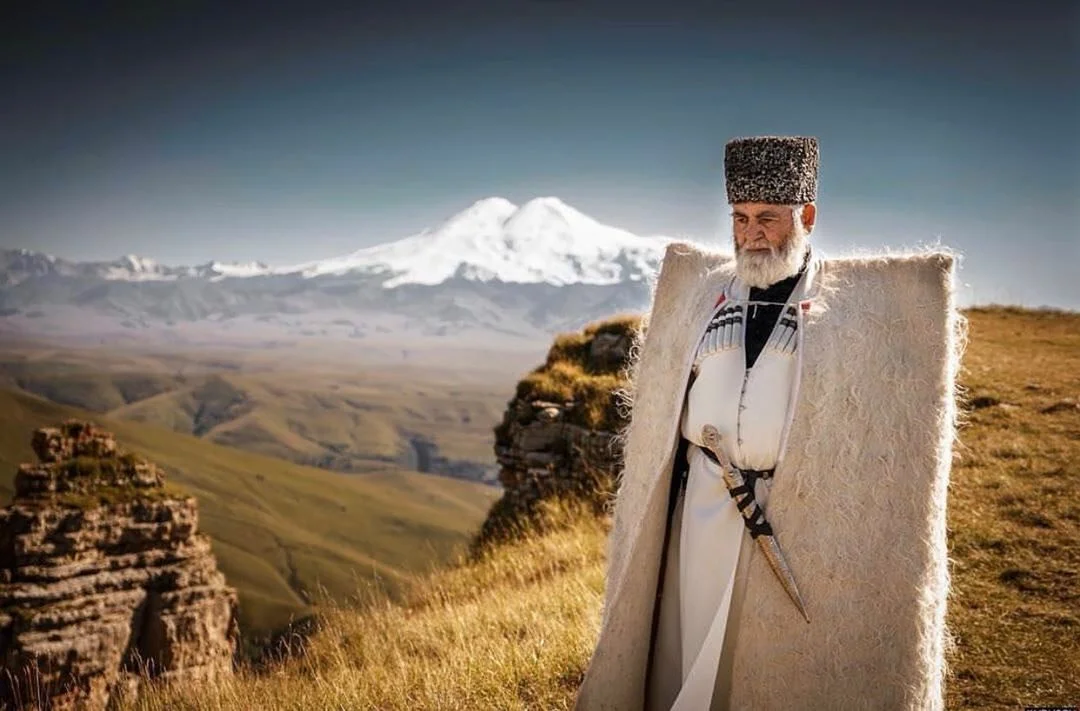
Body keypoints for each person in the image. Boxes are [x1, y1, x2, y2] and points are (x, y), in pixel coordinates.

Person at [574, 136, 962, 711]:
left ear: (806, 217)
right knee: (686, 647)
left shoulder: (845, 311)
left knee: (767, 659)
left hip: (794, 509)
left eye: (768, 219)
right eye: (740, 217)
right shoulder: (705, 296)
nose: (751, 233)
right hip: (703, 504)